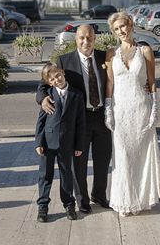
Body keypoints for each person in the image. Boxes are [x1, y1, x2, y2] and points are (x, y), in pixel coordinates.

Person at [36, 24, 112, 214]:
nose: (86, 41)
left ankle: (99, 195)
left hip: (102, 116)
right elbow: (45, 83)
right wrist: (42, 99)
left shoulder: (105, 57)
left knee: (103, 160)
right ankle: (82, 200)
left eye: (89, 37)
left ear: (95, 38)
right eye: (81, 38)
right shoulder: (64, 60)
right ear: (76, 39)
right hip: (78, 120)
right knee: (79, 162)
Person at [104, 12, 160, 216]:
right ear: (114, 32)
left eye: (124, 26)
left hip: (141, 109)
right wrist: (108, 110)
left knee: (140, 156)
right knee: (122, 157)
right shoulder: (111, 53)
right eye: (117, 28)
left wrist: (154, 109)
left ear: (131, 25)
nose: (121, 31)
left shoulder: (145, 50)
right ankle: (123, 201)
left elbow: (152, 82)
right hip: (120, 112)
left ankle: (138, 200)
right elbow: (110, 82)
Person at [35, 63, 86, 223]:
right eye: (52, 79)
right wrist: (38, 143)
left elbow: (81, 122)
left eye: (58, 75)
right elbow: (40, 122)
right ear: (49, 82)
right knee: (45, 175)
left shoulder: (76, 95)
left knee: (66, 174)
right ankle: (43, 207)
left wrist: (79, 145)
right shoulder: (48, 96)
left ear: (62, 73)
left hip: (67, 143)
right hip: (48, 144)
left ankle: (69, 205)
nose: (57, 79)